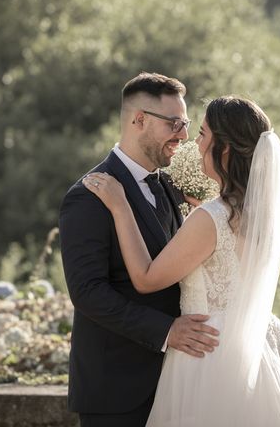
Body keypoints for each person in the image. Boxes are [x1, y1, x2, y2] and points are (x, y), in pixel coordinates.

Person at [84, 96, 280, 426]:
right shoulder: (259, 216)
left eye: (203, 134)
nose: (195, 141)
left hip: (206, 354)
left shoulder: (211, 218)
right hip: (251, 347)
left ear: (223, 150)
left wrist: (120, 207)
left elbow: (146, 278)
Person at [59, 72, 220, 427]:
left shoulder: (169, 186)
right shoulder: (89, 195)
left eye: (187, 123)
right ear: (139, 120)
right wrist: (167, 331)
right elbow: (87, 292)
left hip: (176, 381)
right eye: (175, 123)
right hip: (116, 388)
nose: (184, 135)